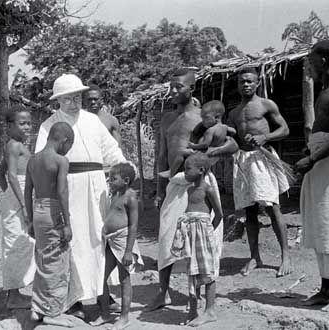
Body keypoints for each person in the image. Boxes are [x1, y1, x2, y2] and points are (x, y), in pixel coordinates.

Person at [34, 74, 132, 318]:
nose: (74, 102)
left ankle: (103, 294)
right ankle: (73, 300)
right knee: (74, 241)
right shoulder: (49, 125)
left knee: (100, 239)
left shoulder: (92, 120)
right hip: (69, 186)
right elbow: (42, 160)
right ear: (58, 100)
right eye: (68, 99)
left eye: (77, 97)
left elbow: (111, 151)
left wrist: (126, 169)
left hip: (98, 186)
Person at [145, 69, 237, 312]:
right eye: (171, 86)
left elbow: (233, 144)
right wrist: (159, 189)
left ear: (191, 89)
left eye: (179, 87)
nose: (174, 91)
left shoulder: (203, 116)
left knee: (203, 241)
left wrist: (207, 156)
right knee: (166, 238)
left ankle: (202, 302)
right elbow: (162, 155)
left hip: (199, 183)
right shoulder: (166, 119)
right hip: (174, 183)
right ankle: (163, 292)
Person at [295, 40, 329, 312]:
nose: (309, 66)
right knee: (322, 226)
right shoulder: (323, 91)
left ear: (324, 61)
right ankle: (327, 288)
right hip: (320, 166)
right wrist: (310, 149)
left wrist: (313, 157)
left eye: (311, 60)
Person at [227, 67, 292, 277]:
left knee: (272, 207)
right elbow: (230, 139)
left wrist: (265, 138)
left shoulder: (266, 104)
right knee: (249, 210)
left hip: (263, 158)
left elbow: (285, 129)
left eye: (249, 81)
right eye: (241, 82)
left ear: (257, 83)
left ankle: (286, 256)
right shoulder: (234, 113)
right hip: (244, 161)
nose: (245, 85)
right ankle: (255, 257)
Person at [25, 122, 77, 328]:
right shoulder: (60, 160)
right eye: (69, 145)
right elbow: (62, 192)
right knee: (57, 263)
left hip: (38, 211)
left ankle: (37, 307)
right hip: (53, 211)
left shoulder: (33, 160)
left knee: (43, 259)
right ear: (64, 140)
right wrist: (67, 223)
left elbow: (28, 190)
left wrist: (29, 219)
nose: (68, 150)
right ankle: (52, 312)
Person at [171, 153, 222, 326]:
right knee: (192, 271)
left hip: (203, 234)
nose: (184, 172)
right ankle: (193, 310)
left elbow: (219, 214)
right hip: (191, 235)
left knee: (207, 271)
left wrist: (208, 232)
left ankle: (210, 311)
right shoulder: (189, 190)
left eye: (187, 169)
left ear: (201, 170)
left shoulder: (207, 189)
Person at [91, 163, 144, 329]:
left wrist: (128, 251)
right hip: (110, 240)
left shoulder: (130, 197)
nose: (109, 181)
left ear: (126, 180)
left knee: (124, 279)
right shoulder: (114, 194)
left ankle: (124, 317)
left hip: (123, 242)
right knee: (100, 276)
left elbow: (133, 226)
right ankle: (105, 314)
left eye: (113, 179)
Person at [0, 107, 36, 310]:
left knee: (22, 241)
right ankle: (12, 296)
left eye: (29, 122)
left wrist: (9, 195)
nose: (27, 126)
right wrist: (21, 203)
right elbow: (11, 176)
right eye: (22, 123)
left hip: (17, 195)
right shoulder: (13, 146)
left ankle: (17, 290)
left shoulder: (18, 145)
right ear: (10, 126)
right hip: (19, 199)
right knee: (14, 243)